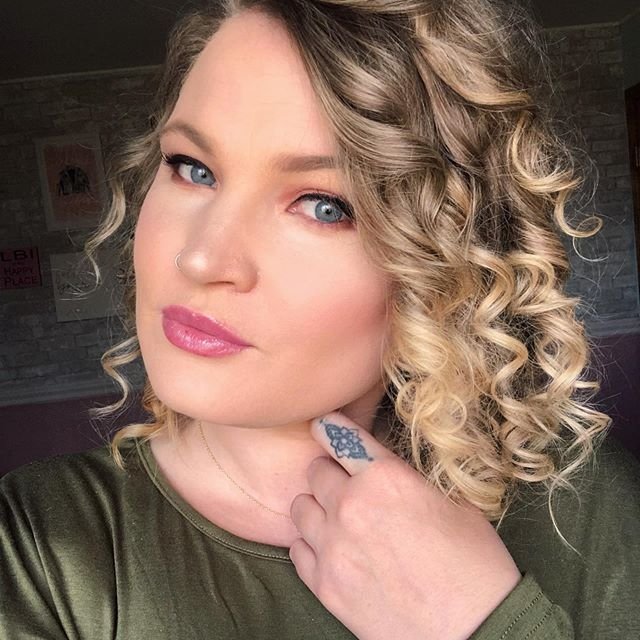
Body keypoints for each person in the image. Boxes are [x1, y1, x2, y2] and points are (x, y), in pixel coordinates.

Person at [1, 0, 639, 638]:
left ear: (448, 262)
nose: (200, 258)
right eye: (193, 169)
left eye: (323, 206)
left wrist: (477, 622)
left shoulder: (583, 505)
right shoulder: (40, 548)